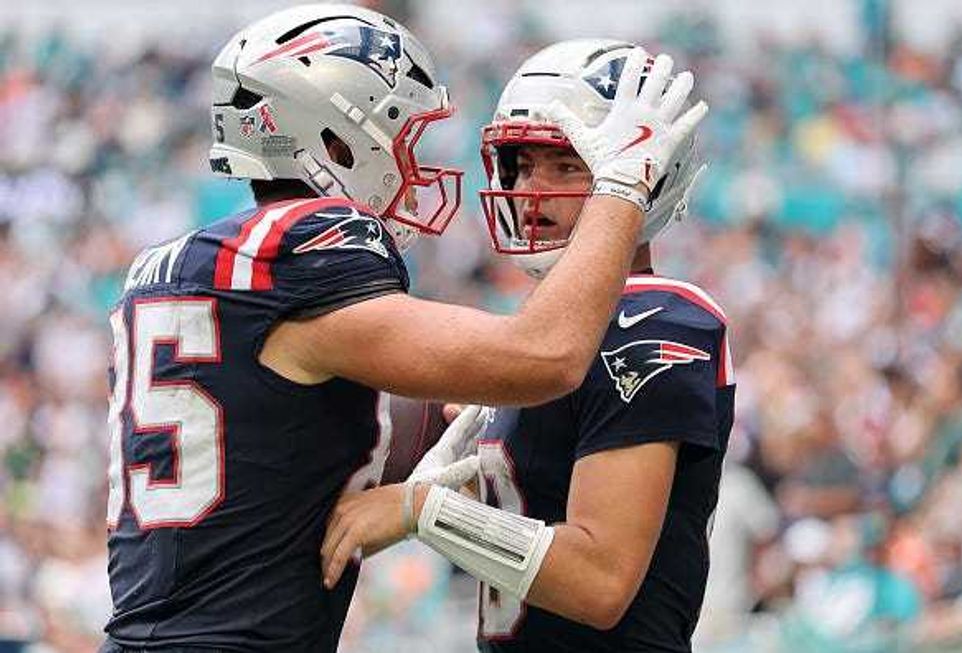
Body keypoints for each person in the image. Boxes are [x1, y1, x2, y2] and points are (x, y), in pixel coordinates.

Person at [102, 5, 707, 651]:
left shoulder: (170, 265)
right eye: (402, 135)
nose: (413, 164)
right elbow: (548, 355)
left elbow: (280, 444)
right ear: (336, 141)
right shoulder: (312, 241)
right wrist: (622, 184)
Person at [322, 39, 732, 653]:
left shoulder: (653, 319)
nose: (531, 189)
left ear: (650, 172)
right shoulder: (541, 336)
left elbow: (599, 581)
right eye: (520, 163)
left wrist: (423, 511)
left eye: (566, 166)